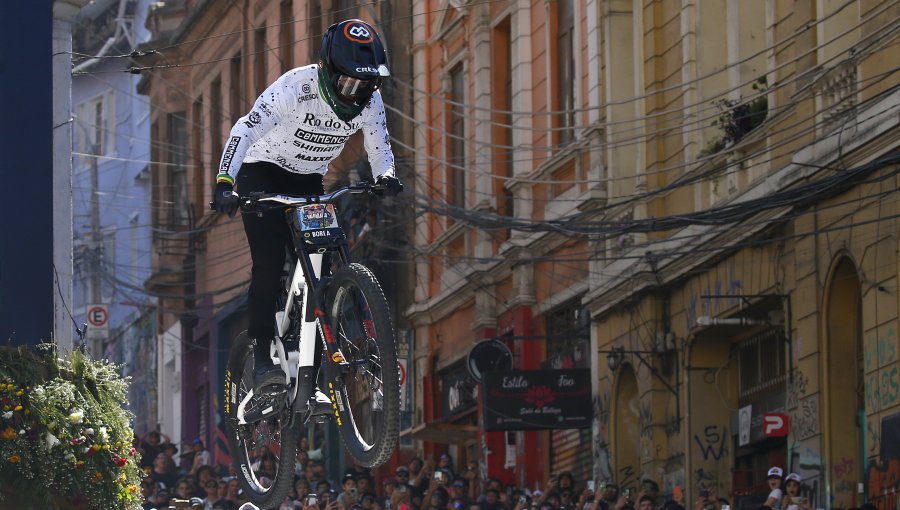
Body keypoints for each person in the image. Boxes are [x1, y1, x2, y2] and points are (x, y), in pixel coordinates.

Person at [211, 18, 403, 397]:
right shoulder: (295, 87)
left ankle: (309, 366)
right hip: (261, 173)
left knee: (322, 266)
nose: (355, 94)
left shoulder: (370, 100)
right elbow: (244, 129)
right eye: (348, 82)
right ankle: (264, 355)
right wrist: (224, 183)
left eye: (365, 85)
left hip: (308, 179)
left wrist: (386, 175)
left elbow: (379, 143)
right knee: (267, 264)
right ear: (327, 71)